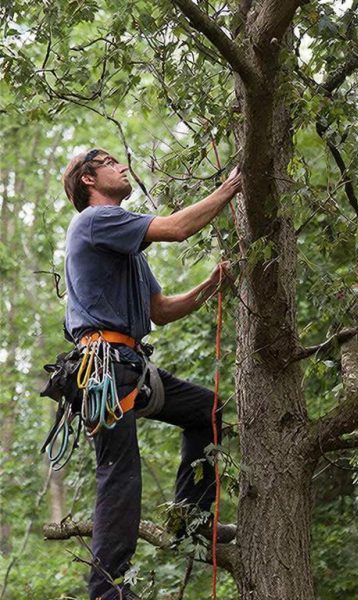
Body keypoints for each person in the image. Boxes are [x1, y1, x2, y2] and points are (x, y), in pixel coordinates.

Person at [61, 148, 241, 600]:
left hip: (130, 370)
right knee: (120, 474)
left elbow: (160, 311)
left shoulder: (127, 247)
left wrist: (211, 285)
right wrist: (231, 187)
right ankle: (106, 591)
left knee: (208, 410)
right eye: (110, 163)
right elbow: (178, 229)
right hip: (104, 370)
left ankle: (188, 520)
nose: (123, 167)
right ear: (89, 179)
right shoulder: (94, 221)